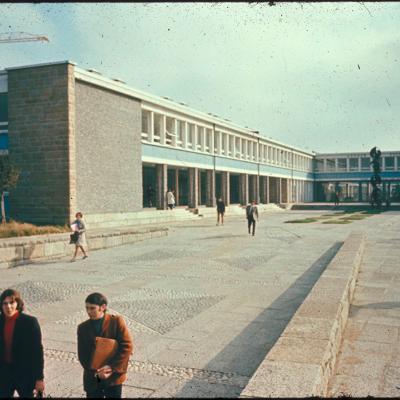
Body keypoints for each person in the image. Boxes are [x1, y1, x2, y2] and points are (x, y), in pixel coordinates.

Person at [77, 292, 133, 399]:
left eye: (92, 308)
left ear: (103, 307)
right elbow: (82, 355)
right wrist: (97, 373)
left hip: (113, 376)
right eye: (87, 308)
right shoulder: (82, 327)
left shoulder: (116, 321)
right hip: (93, 377)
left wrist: (111, 368)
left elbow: (127, 346)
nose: (89, 311)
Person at [0, 288, 44, 398]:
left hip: (25, 375)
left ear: (18, 303)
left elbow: (37, 352)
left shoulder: (30, 322)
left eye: (11, 302)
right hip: (4, 375)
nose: (8, 307)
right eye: (5, 303)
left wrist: (39, 378)